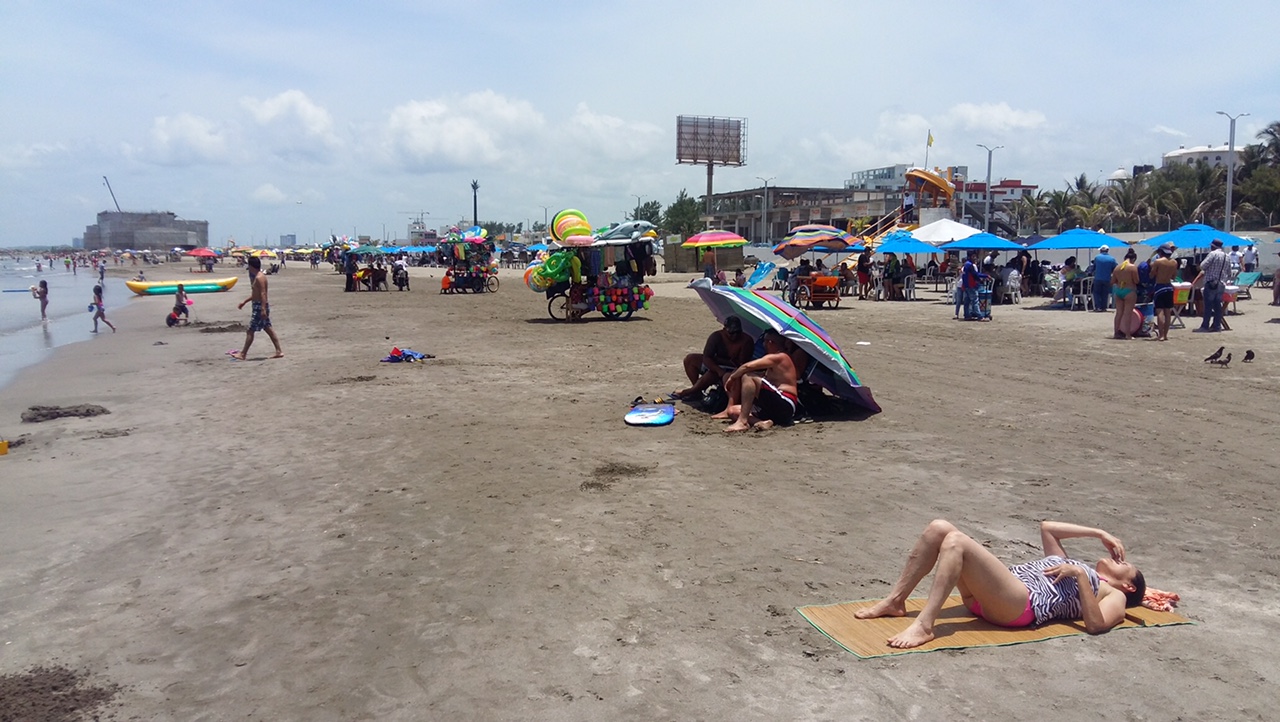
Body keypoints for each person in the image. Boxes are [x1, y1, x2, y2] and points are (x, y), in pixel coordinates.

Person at [854, 519, 1146, 649]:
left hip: (1021, 606)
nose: (1119, 558)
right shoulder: (1069, 564)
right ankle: (895, 600)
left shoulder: (1113, 595)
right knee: (939, 528)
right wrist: (1099, 533)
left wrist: (1081, 576)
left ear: (1128, 586)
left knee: (956, 541)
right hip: (995, 592)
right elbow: (1048, 527)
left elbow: (1096, 625)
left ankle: (925, 626)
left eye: (1126, 565)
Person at [715, 330, 800, 433]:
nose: (763, 345)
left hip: (785, 403)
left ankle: (742, 422)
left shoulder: (780, 357)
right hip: (772, 407)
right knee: (732, 411)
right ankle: (763, 422)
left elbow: (747, 366)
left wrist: (732, 378)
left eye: (764, 341)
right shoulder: (777, 359)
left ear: (770, 342)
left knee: (748, 376)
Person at [676, 315, 754, 401]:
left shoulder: (746, 341)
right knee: (690, 359)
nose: (734, 336)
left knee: (712, 374)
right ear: (724, 330)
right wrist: (718, 369)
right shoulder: (716, 337)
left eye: (737, 333)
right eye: (731, 333)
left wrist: (719, 363)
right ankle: (696, 391)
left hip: (732, 369)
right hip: (716, 364)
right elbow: (707, 357)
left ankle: (692, 391)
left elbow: (741, 363)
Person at [230, 256, 283, 360]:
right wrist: (245, 302)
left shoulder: (259, 278)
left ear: (251, 266)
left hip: (260, 306)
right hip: (258, 305)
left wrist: (263, 309)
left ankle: (243, 354)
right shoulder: (257, 277)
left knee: (250, 330)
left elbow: (263, 294)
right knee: (268, 328)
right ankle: (279, 351)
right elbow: (256, 294)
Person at [1194, 239, 1231, 333]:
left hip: (1211, 282)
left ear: (1213, 246)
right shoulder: (1227, 256)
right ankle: (1217, 326)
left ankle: (1205, 326)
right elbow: (1229, 271)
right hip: (1221, 283)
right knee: (1218, 305)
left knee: (1208, 305)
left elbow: (1202, 266)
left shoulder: (1212, 254)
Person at [1150, 243, 1180, 341]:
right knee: (1168, 312)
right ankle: (1166, 335)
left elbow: (1152, 275)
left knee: (1160, 312)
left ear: (1161, 252)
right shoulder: (1174, 262)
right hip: (1169, 287)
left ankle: (1161, 335)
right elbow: (1173, 277)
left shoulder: (1158, 262)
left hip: (1160, 287)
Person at [1111, 248, 1140, 339]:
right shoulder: (1132, 267)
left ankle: (1116, 333)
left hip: (1119, 290)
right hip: (1129, 291)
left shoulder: (1117, 267)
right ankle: (1127, 334)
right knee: (1128, 313)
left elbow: (1112, 281)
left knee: (1119, 313)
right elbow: (1136, 281)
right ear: (1134, 259)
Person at [959, 251, 988, 320]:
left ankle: (967, 315)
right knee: (975, 301)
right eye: (974, 256)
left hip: (965, 285)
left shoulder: (965, 265)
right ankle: (980, 316)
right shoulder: (970, 265)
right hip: (971, 285)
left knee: (967, 301)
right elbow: (975, 274)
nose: (975, 258)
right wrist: (984, 277)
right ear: (970, 257)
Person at [1091, 245, 1117, 312]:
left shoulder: (1097, 257)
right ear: (1107, 250)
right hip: (1107, 278)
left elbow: (1093, 268)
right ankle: (1103, 307)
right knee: (1105, 293)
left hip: (1098, 278)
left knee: (1096, 293)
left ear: (1101, 250)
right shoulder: (1112, 259)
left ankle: (1098, 307)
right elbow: (1115, 268)